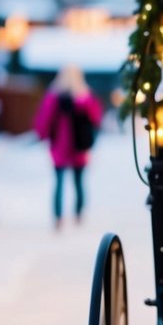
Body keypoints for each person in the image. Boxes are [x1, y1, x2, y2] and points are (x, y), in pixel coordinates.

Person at [34, 66, 102, 229]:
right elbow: (96, 117)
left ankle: (58, 217)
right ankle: (78, 214)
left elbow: (44, 118)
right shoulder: (85, 96)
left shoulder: (53, 97)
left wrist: (42, 134)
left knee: (59, 182)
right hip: (79, 147)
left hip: (59, 146)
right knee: (79, 182)